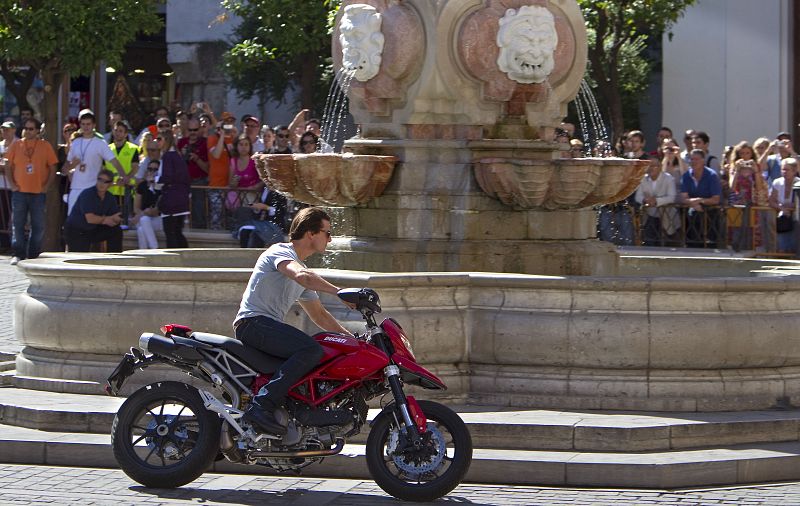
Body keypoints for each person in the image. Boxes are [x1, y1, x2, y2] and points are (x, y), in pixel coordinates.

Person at [233, 207, 353, 434]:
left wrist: (350, 340)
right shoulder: (280, 252)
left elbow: (319, 315)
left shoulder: (303, 269)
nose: (330, 239)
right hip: (253, 324)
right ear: (311, 233)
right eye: (327, 233)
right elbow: (301, 276)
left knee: (316, 356)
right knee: (310, 350)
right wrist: (339, 292)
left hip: (265, 327)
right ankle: (261, 406)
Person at [6, 118, 58, 264]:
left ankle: (33, 255)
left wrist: (46, 186)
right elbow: (8, 165)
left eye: (31, 129)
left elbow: (53, 167)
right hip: (19, 192)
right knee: (18, 224)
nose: (28, 131)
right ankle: (17, 254)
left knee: (38, 226)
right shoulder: (16, 145)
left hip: (38, 193)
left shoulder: (45, 146)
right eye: (26, 128)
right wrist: (12, 184)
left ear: (37, 131)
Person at [64, 109, 126, 214]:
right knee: (73, 220)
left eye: (88, 124)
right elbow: (65, 168)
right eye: (83, 124)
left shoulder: (100, 143)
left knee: (90, 219)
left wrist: (123, 176)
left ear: (94, 125)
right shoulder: (75, 143)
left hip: (92, 187)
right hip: (76, 187)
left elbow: (114, 161)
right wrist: (72, 165)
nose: (86, 127)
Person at [63, 168, 123, 252]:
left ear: (110, 184)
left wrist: (116, 219)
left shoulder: (110, 197)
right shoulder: (87, 194)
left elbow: (115, 216)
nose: (101, 183)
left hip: (92, 230)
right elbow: (90, 218)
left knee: (116, 231)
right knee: (79, 260)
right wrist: (106, 219)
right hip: (76, 231)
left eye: (105, 182)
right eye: (100, 180)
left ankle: (114, 259)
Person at [680, 149, 722, 248]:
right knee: (692, 214)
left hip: (711, 211)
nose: (693, 162)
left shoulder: (712, 175)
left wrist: (700, 201)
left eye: (696, 159)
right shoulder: (686, 176)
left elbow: (716, 199)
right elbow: (683, 198)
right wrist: (693, 203)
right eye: (691, 159)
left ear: (703, 160)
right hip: (693, 211)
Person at [157, 130, 190, 248]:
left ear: (166, 140)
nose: (157, 142)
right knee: (177, 232)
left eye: (159, 139)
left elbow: (168, 176)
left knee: (171, 233)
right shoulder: (177, 155)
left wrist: (155, 180)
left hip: (172, 201)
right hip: (181, 200)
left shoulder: (168, 156)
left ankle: (175, 261)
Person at [634, 158, 676, 246]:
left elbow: (672, 197)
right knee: (649, 236)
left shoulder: (669, 179)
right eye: (649, 166)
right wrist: (645, 200)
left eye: (654, 166)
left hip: (666, 213)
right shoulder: (643, 179)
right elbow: (638, 196)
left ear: (660, 167)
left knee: (669, 238)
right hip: (649, 214)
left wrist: (656, 201)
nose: (651, 168)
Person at [177, 117, 209, 228]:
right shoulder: (181, 142)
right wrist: (181, 155)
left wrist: (197, 158)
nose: (193, 133)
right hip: (182, 182)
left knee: (198, 208)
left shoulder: (205, 143)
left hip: (199, 181)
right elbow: (176, 165)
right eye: (190, 130)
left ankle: (199, 229)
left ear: (200, 129)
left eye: (195, 130)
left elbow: (207, 169)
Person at [768, 157, 799, 254]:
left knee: (794, 245)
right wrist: (782, 208)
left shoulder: (798, 183)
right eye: (783, 169)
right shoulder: (777, 182)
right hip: (782, 219)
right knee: (782, 246)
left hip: (796, 219)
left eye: (787, 169)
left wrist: (792, 206)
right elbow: (771, 201)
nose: (784, 172)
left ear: (794, 171)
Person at [131, 161, 162, 249]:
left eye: (155, 170)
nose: (152, 172)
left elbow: (156, 211)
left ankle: (151, 250)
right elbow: (136, 208)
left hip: (157, 219)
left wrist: (142, 214)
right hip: (143, 218)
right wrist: (143, 213)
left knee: (142, 226)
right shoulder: (142, 186)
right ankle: (153, 249)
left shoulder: (161, 187)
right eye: (150, 169)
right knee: (142, 225)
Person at [0, 120, 18, 250]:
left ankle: (14, 243)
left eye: (7, 129)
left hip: (14, 185)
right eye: (3, 129)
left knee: (14, 216)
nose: (5, 132)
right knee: (2, 215)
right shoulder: (0, 145)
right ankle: (3, 242)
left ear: (13, 130)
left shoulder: (18, 144)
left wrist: (6, 167)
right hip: (1, 185)